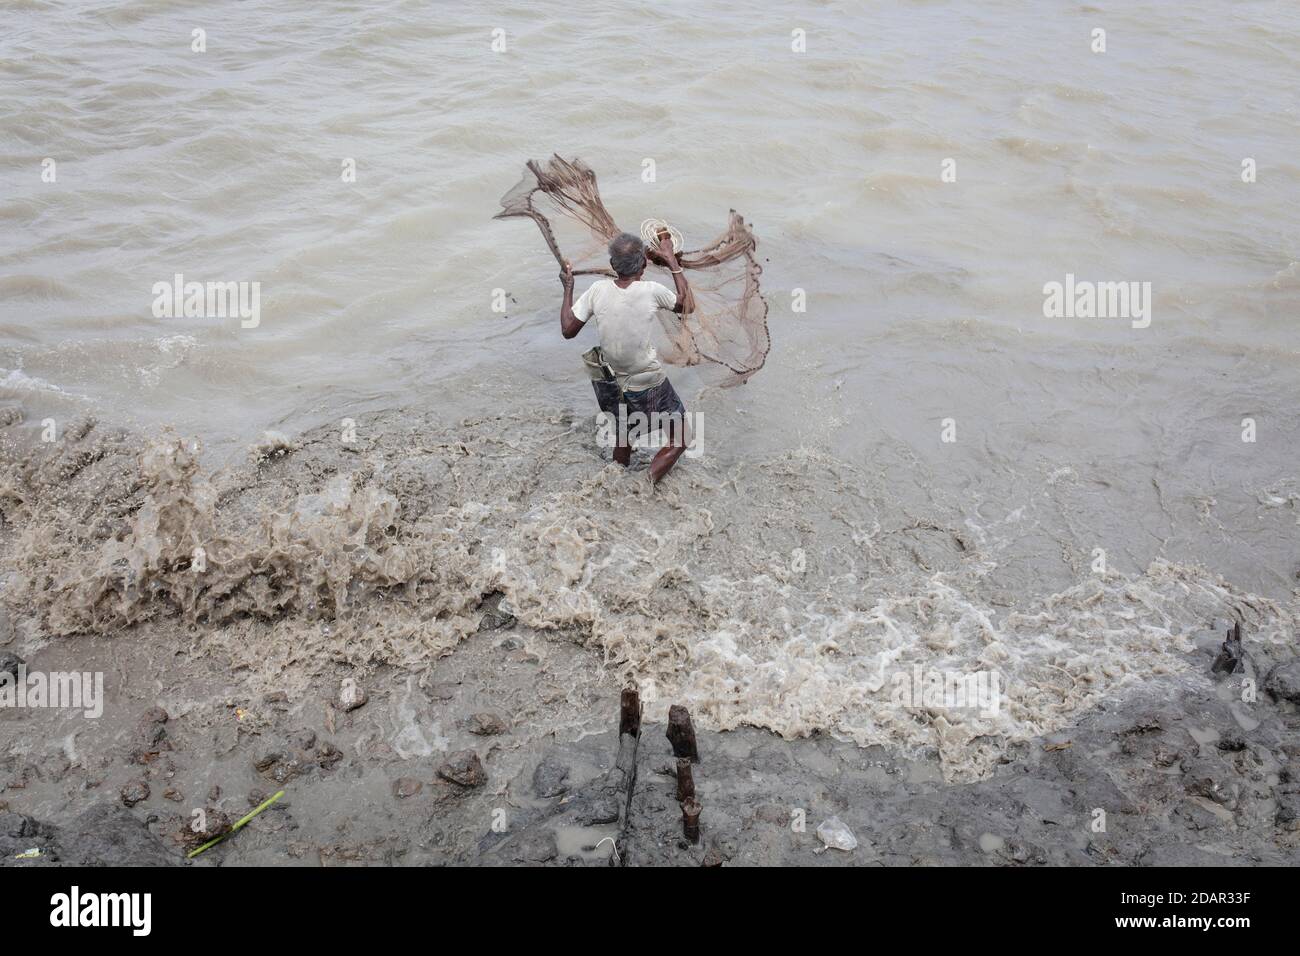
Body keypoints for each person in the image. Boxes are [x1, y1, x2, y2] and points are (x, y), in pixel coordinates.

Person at [559, 231, 693, 483]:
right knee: (681, 438)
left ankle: (616, 478)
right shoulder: (652, 290)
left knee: (625, 432)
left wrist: (568, 289)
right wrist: (672, 261)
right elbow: (687, 305)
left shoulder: (597, 290)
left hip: (609, 383)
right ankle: (645, 484)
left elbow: (568, 329)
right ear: (644, 263)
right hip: (646, 382)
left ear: (612, 266)